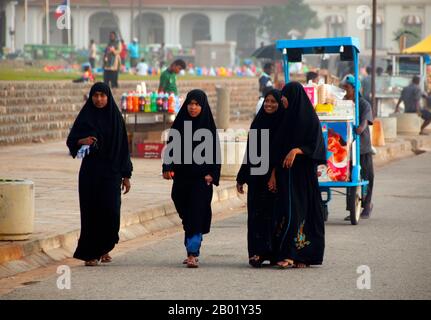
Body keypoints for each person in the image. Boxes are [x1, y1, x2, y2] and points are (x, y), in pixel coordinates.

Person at [66, 82, 133, 266]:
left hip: (112, 172)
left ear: (108, 96)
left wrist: (126, 175)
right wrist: (83, 140)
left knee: (111, 212)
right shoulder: (85, 116)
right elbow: (71, 141)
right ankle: (90, 253)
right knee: (90, 213)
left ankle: (104, 247)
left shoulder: (116, 118)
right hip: (90, 173)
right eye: (95, 95)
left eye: (103, 95)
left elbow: (123, 149)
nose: (99, 99)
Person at [268, 82, 326, 268]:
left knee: (300, 212)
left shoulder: (309, 120)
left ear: (293, 97)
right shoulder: (285, 120)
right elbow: (277, 151)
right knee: (286, 211)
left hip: (303, 176)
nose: (282, 99)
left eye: (284, 96)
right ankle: (290, 253)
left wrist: (297, 150)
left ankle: (296, 255)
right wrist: (274, 174)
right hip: (285, 175)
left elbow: (315, 146)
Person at [162, 89, 221, 268]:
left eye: (197, 104)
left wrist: (212, 173)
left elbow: (215, 152)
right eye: (190, 104)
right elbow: (171, 147)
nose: (193, 108)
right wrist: (167, 167)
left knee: (195, 213)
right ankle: (193, 239)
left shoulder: (208, 126)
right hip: (182, 177)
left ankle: (192, 253)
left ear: (202, 106)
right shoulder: (180, 124)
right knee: (186, 212)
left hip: (201, 179)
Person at [236, 89, 285, 268]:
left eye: (273, 102)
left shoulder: (282, 124)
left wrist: (274, 174)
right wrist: (241, 177)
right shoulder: (258, 122)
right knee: (256, 216)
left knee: (273, 216)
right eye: (267, 101)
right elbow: (250, 151)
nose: (269, 105)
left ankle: (272, 253)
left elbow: (280, 153)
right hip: (256, 178)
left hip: (273, 178)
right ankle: (256, 253)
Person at [341, 75, 374, 219]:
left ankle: (367, 205)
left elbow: (366, 119)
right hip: (347, 147)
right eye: (344, 87)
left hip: (362, 146)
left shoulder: (363, 103)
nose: (345, 90)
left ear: (355, 89)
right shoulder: (342, 102)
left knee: (367, 176)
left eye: (347, 88)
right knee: (351, 179)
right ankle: (353, 209)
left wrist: (361, 127)